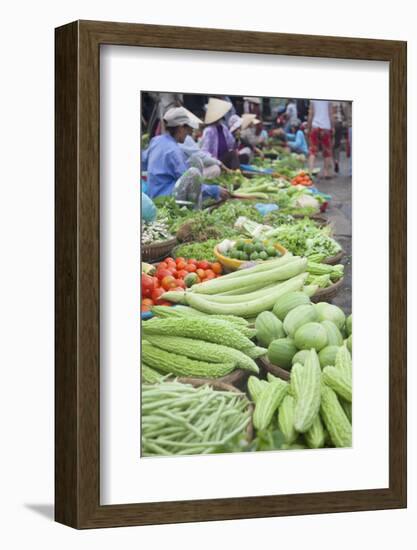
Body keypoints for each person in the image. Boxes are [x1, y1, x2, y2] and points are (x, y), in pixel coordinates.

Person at [142, 107, 229, 206]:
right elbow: (189, 183)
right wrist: (215, 190)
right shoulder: (174, 150)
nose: (188, 134)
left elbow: (143, 161)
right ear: (180, 128)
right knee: (195, 179)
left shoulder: (156, 141)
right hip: (167, 199)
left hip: (152, 196)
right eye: (188, 130)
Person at [200, 98, 239, 169]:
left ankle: (235, 173)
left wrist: (236, 138)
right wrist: (215, 160)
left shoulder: (224, 128)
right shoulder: (209, 131)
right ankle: (235, 175)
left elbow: (231, 143)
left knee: (233, 153)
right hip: (215, 161)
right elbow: (204, 151)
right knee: (233, 154)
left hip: (223, 158)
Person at [307, 99, 334, 179]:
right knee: (327, 152)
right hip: (326, 127)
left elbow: (311, 113)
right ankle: (326, 173)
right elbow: (330, 114)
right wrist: (332, 127)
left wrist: (308, 127)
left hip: (315, 126)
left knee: (312, 151)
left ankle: (310, 172)